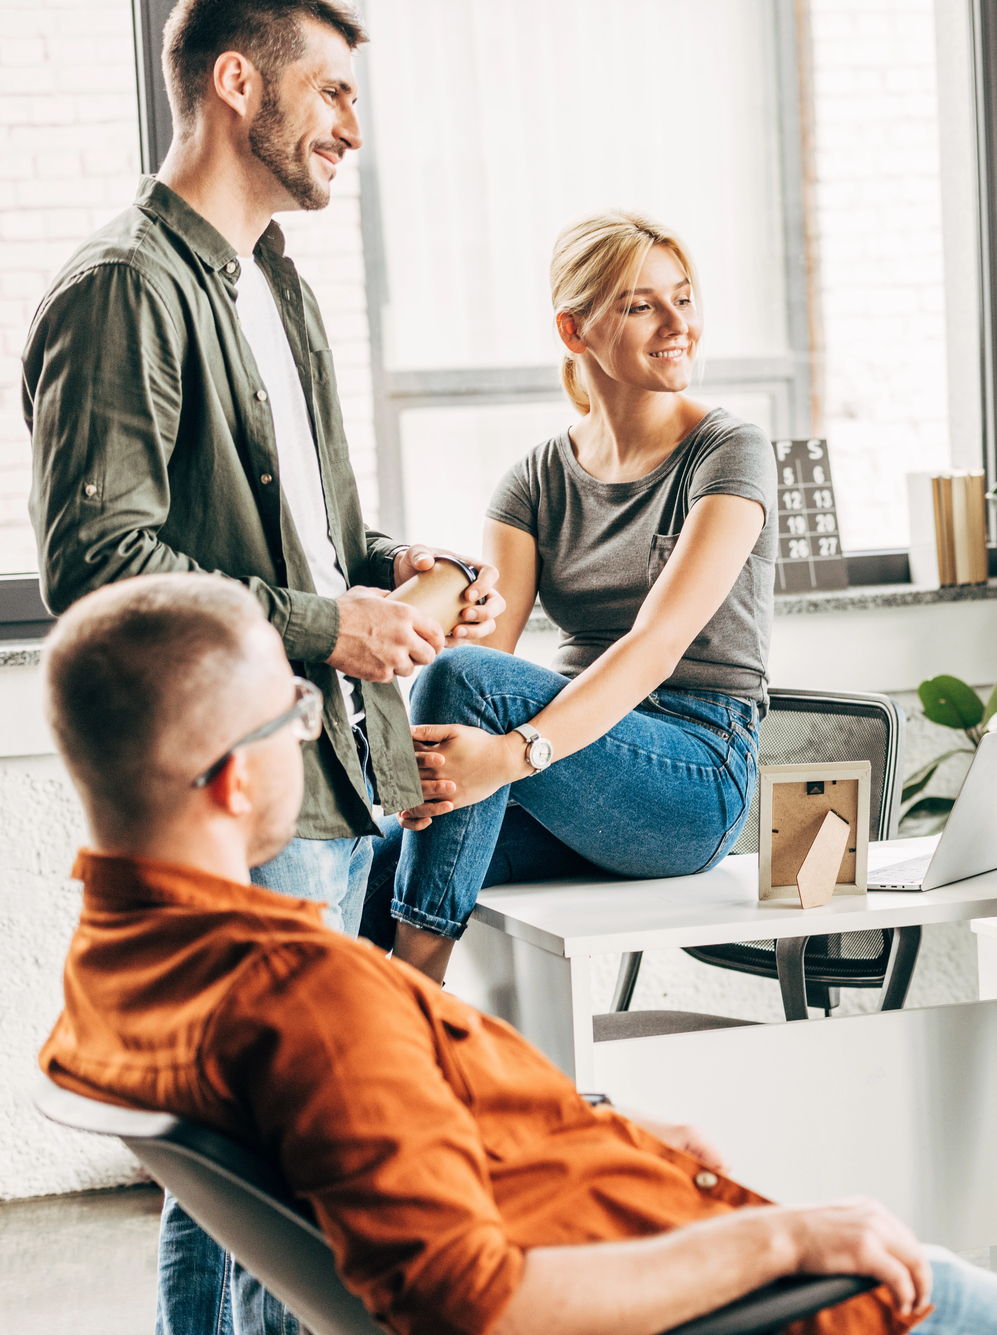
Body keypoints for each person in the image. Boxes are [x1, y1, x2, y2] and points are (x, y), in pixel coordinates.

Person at [36, 573, 997, 1335]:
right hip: (759, 1307)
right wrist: (788, 1240)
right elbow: (472, 1303)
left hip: (638, 1234)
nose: (312, 735)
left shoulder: (115, 970)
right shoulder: (303, 996)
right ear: (227, 784)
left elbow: (399, 1137)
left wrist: (588, 1125)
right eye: (296, 712)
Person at [18, 2, 500, 1330]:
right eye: (332, 89)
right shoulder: (124, 286)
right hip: (236, 796)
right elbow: (103, 566)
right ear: (238, 83)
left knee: (289, 1173)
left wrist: (402, 569)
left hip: (330, 777)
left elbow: (316, 538)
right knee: (249, 1179)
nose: (354, 125)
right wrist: (321, 623)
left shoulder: (273, 277)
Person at [375, 210, 773, 984]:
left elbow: (655, 648)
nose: (676, 324)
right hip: (573, 769)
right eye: (640, 304)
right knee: (372, 866)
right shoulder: (534, 480)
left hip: (693, 775)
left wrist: (517, 753)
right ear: (575, 330)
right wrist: (432, 770)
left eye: (683, 299)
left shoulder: (729, 451)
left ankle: (416, 1002)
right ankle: (306, 1072)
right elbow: (479, 660)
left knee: (462, 689)